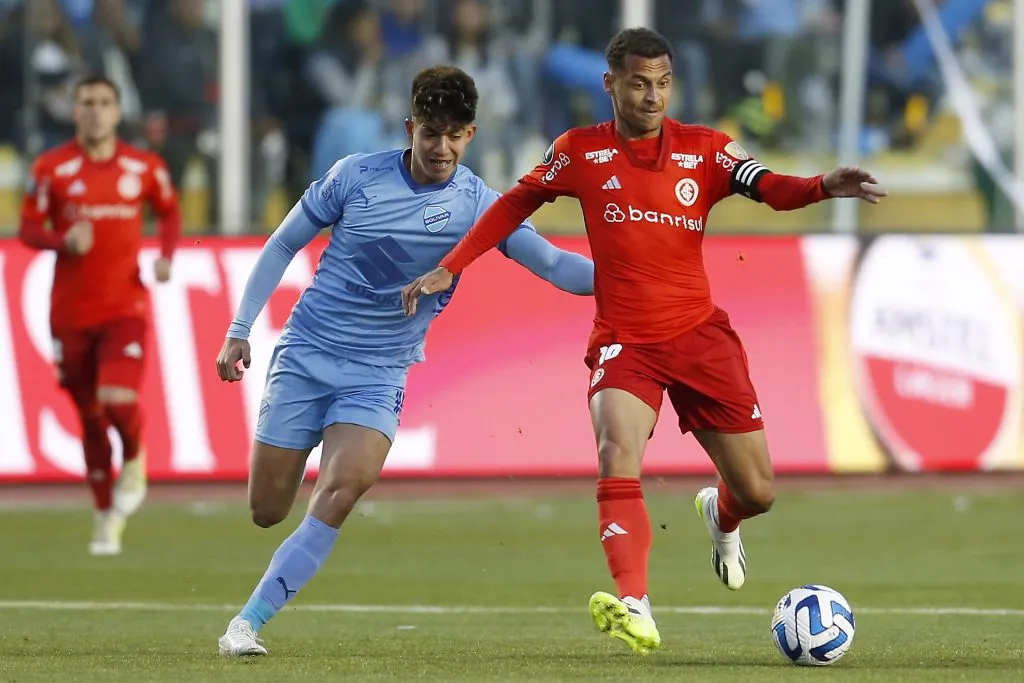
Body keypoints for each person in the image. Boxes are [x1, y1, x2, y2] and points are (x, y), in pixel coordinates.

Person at [402, 28, 886, 655]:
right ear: (611, 85)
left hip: (699, 338)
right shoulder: (578, 151)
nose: (652, 96)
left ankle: (722, 515)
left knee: (759, 493)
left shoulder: (706, 150)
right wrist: (453, 264)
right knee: (615, 447)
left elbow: (770, 188)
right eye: (638, 83)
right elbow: (511, 206)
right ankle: (636, 603)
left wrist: (823, 185)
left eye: (661, 83)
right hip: (624, 339)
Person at [214, 65, 594, 657]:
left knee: (343, 488)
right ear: (410, 127)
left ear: (471, 135)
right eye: (430, 133)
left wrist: (638, 273)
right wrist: (239, 330)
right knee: (267, 509)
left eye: (455, 135)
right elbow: (284, 243)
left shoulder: (478, 206)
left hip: (379, 371)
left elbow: (553, 266)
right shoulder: (355, 177)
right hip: (308, 353)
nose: (441, 148)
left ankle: (247, 623)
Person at [18, 75, 181, 556]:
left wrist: (167, 255)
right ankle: (105, 516)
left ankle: (134, 455)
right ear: (75, 111)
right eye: (86, 102)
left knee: (116, 398)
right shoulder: (52, 168)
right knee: (89, 418)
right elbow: (28, 227)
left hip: (124, 307)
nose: (95, 111)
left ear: (117, 110)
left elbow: (168, 212)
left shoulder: (144, 166)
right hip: (68, 313)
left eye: (104, 102)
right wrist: (60, 240)